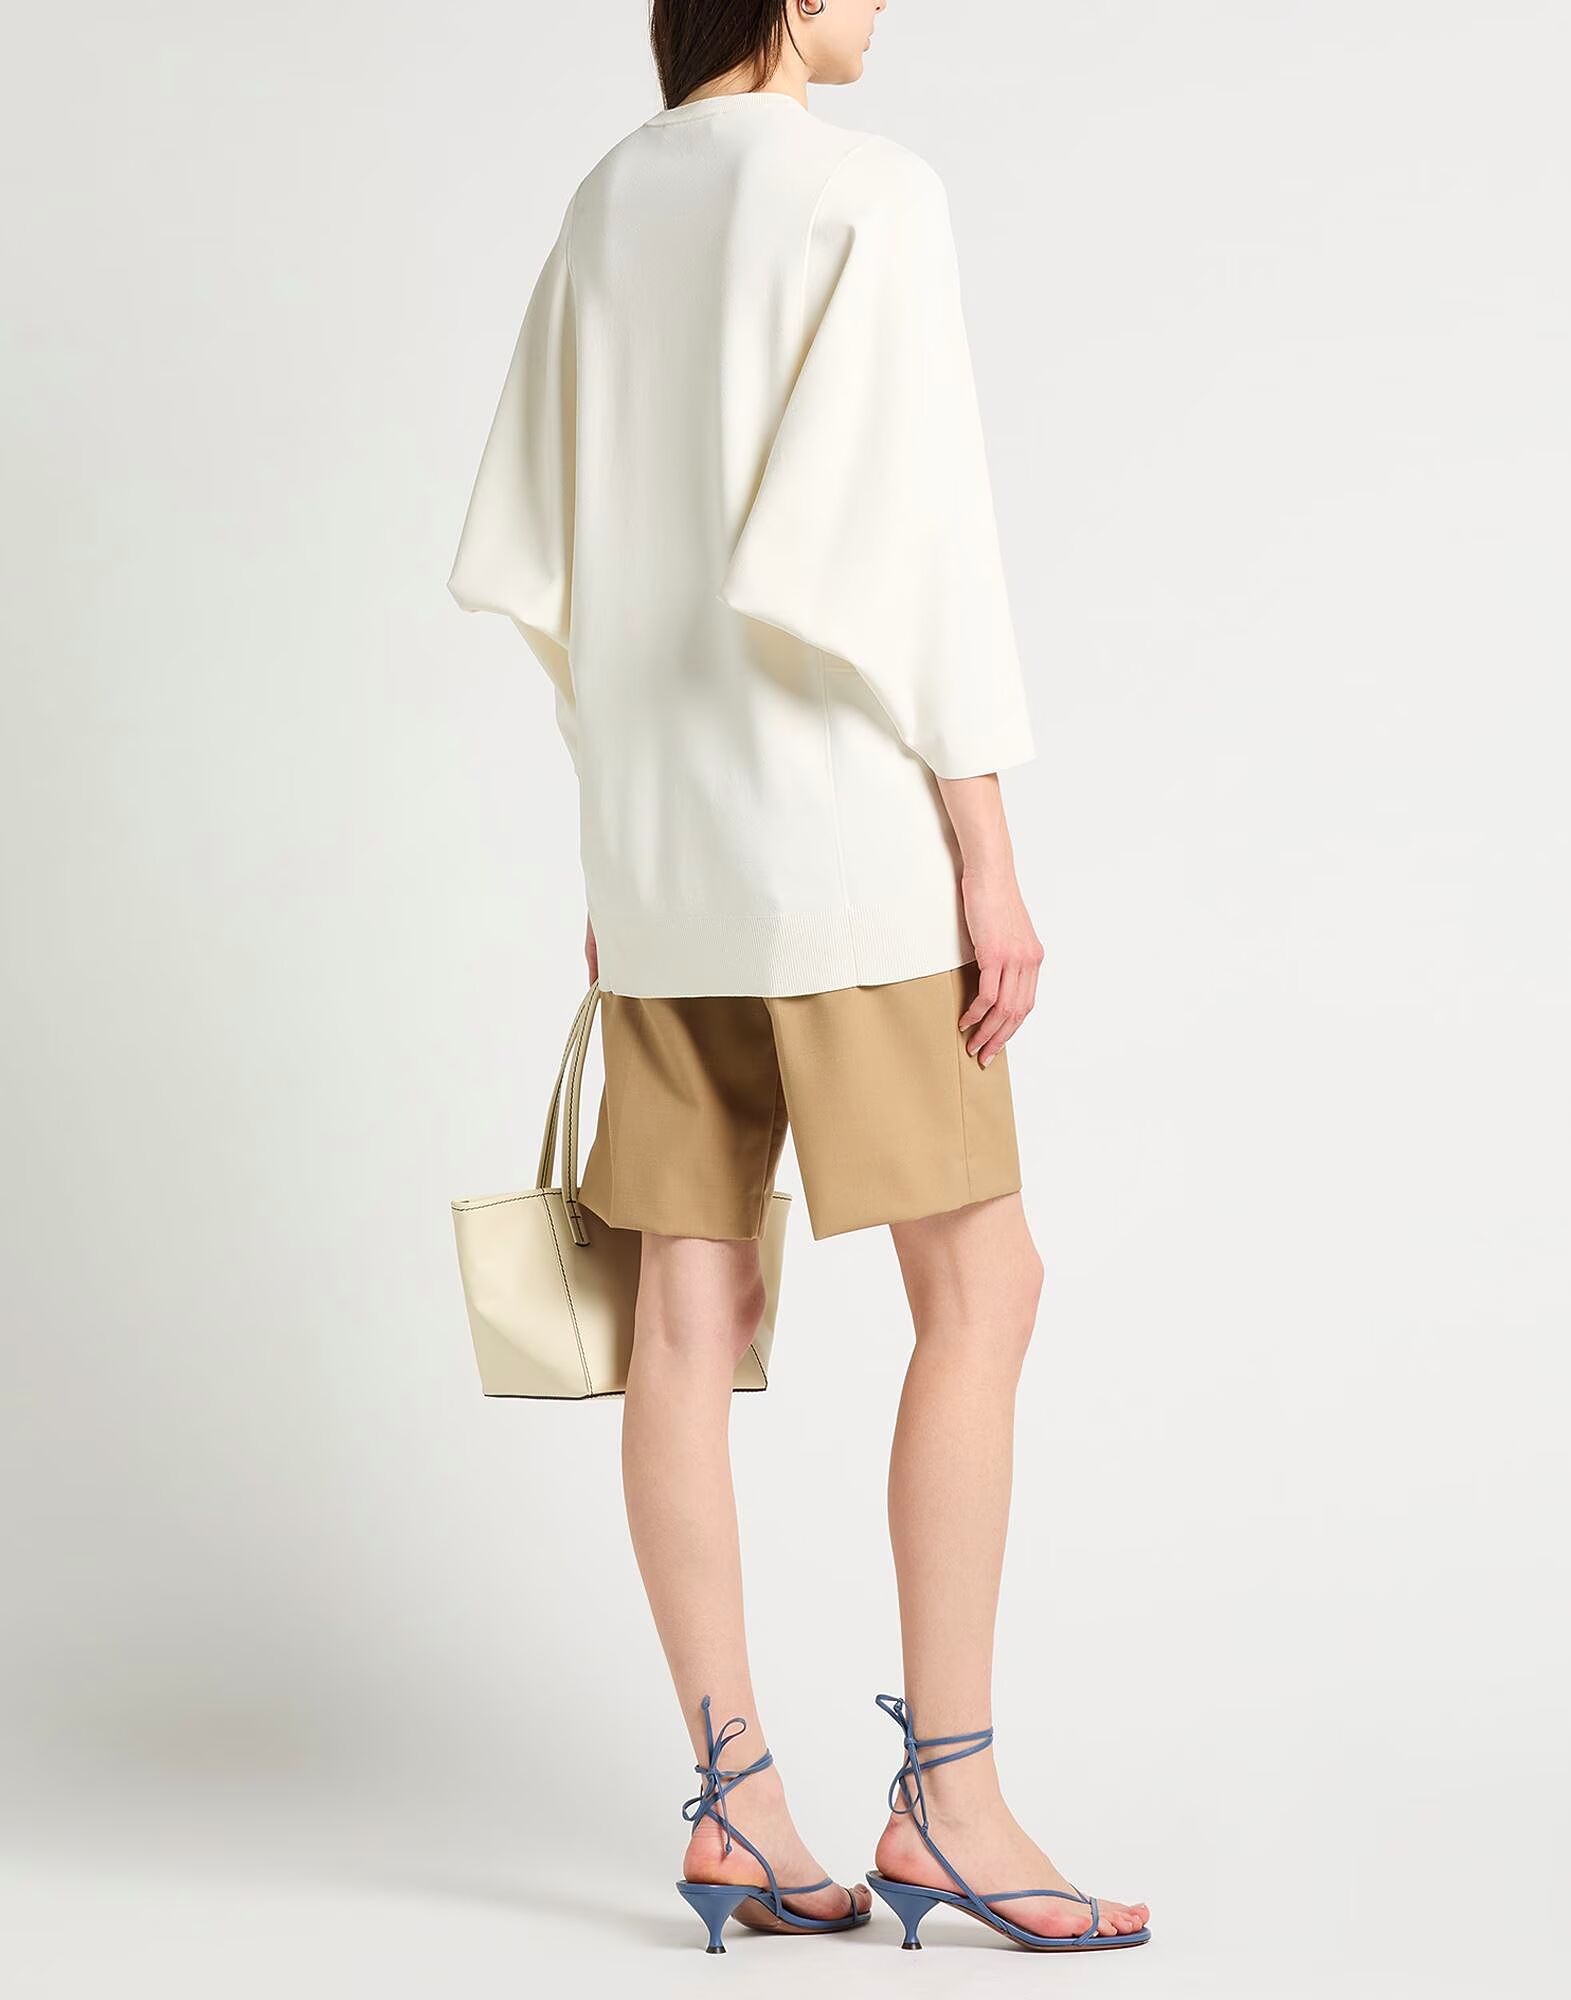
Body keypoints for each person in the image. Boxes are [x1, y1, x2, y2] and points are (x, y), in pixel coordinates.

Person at [448, 0, 1149, 1955]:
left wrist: (618, 836)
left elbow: (552, 559)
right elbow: (921, 554)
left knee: (686, 1311)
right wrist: (986, 849)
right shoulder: (867, 195)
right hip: (846, 856)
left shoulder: (606, 205)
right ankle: (952, 1799)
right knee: (984, 1285)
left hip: (664, 856)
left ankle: (738, 1807)